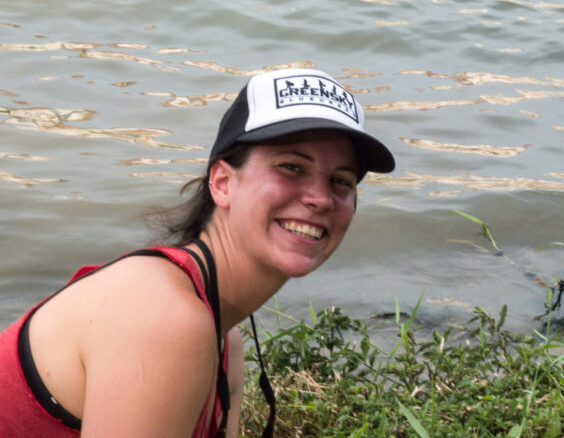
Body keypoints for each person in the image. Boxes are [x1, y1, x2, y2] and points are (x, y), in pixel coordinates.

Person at [0, 68, 395, 437]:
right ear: (222, 183)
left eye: (340, 181)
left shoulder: (226, 340)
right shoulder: (163, 317)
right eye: (292, 167)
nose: (321, 198)